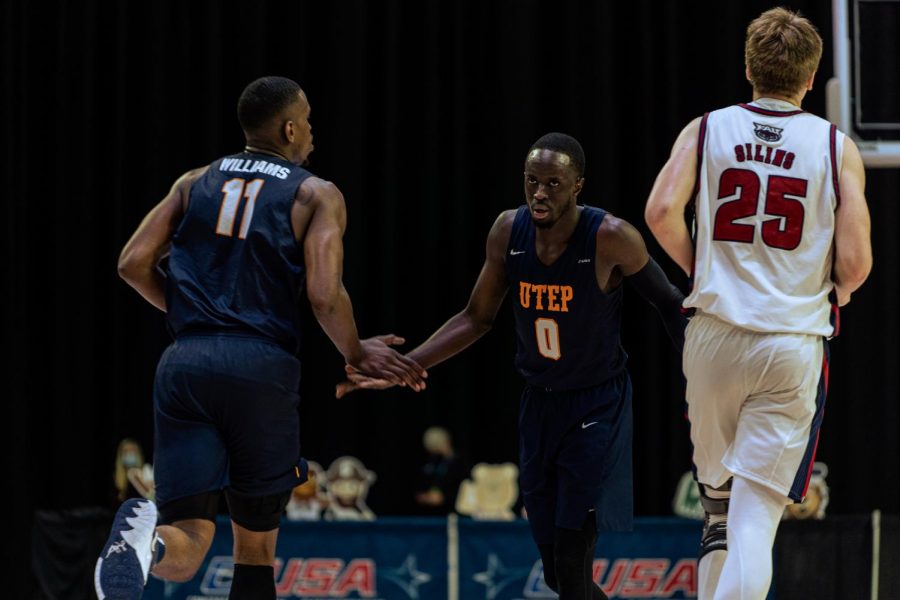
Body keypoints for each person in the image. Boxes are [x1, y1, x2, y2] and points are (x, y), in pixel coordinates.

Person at [96, 76, 427, 600]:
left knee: (187, 546)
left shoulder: (193, 181)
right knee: (256, 550)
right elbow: (324, 294)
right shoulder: (314, 192)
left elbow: (131, 263)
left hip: (185, 362)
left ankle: (145, 544)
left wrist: (191, 312)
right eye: (310, 121)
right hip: (259, 367)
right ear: (291, 128)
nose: (314, 132)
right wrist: (357, 351)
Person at [340, 132, 686, 600]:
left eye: (553, 183)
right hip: (539, 406)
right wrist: (403, 365)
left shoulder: (610, 237)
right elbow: (475, 318)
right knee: (556, 574)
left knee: (572, 558)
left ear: (578, 186)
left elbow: (669, 304)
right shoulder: (508, 230)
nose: (539, 193)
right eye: (531, 181)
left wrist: (698, 377)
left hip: (597, 405)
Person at [644, 8, 872, 600]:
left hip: (715, 334)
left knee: (716, 510)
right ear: (810, 76)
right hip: (789, 342)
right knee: (753, 520)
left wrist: (701, 265)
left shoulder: (707, 127)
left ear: (748, 67)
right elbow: (854, 264)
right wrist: (837, 290)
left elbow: (660, 211)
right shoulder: (834, 145)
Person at [413, 426, 467, 515]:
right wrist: (425, 496)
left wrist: (445, 497)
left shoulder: (460, 462)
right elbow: (421, 484)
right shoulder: (432, 461)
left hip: (451, 511)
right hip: (428, 512)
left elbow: (464, 487)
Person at [111, 437, 155, 506]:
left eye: (132, 450)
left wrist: (136, 478)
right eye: (126, 451)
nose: (129, 454)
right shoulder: (116, 477)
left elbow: (152, 495)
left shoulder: (146, 469)